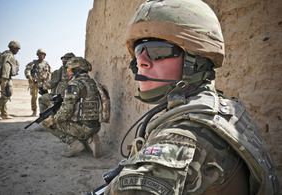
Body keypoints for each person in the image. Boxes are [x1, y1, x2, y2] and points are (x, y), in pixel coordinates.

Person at [104, 0, 280, 194]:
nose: (141, 62)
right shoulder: (222, 107)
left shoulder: (183, 139)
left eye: (157, 51)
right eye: (139, 51)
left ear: (194, 60)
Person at [42, 57, 105, 158]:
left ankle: (74, 143)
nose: (67, 73)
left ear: (77, 70)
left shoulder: (75, 85)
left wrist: (54, 119)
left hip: (82, 127)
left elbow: (66, 111)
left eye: (69, 70)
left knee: (47, 123)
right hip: (96, 126)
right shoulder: (94, 83)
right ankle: (90, 139)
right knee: (75, 120)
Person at [0, 41, 21, 120]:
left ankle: (4, 114)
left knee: (4, 95)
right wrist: (5, 79)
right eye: (17, 49)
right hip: (5, 78)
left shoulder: (4, 54)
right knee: (8, 94)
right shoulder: (9, 56)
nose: (18, 51)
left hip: (1, 77)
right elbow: (6, 67)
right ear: (12, 48)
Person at [24, 48, 51, 116]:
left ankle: (45, 111)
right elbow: (27, 70)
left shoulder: (46, 64)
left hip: (44, 83)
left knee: (45, 97)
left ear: (44, 55)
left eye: (42, 54)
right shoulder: (34, 63)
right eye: (40, 54)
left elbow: (50, 72)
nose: (41, 55)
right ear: (37, 55)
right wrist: (29, 76)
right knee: (34, 97)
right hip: (35, 82)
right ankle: (34, 111)